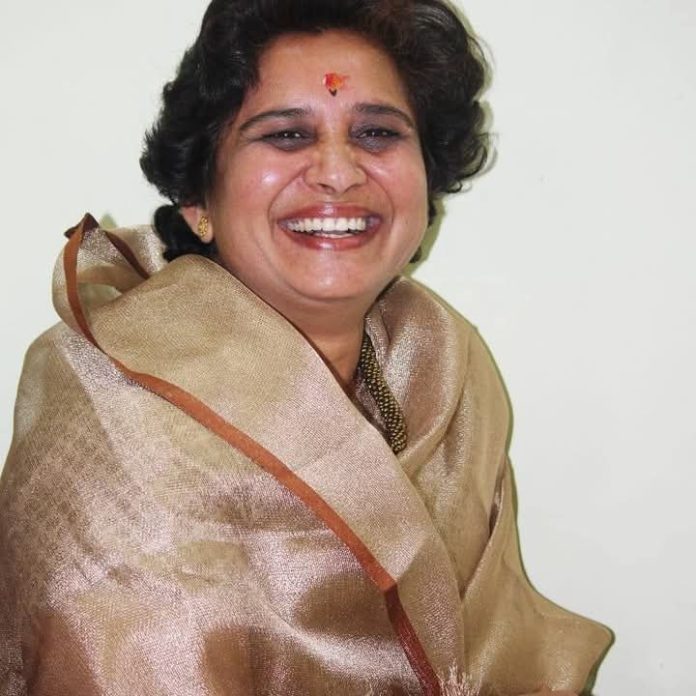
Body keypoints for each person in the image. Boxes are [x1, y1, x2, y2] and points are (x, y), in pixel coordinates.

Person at [0, 0, 611, 694]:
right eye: (287, 135)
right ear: (199, 199)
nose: (338, 172)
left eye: (377, 133)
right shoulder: (121, 429)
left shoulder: (442, 375)